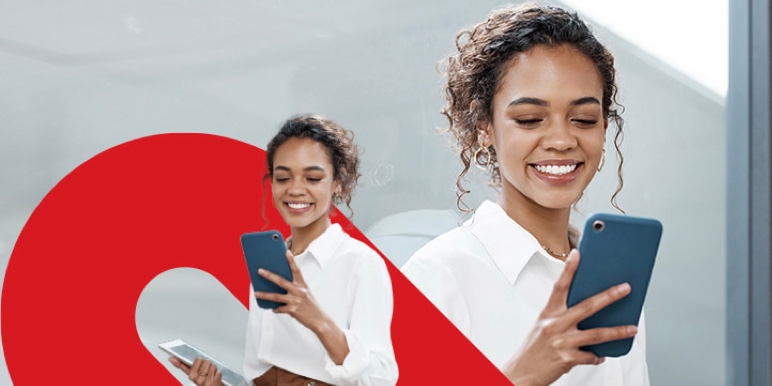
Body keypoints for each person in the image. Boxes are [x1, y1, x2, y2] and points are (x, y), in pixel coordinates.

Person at [401, 4, 648, 386]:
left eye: (583, 119)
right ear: (484, 126)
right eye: (530, 119)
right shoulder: (439, 275)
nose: (561, 140)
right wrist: (523, 374)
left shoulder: (613, 283)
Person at [170, 115, 399, 386]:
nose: (296, 189)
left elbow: (381, 378)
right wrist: (218, 384)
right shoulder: (268, 266)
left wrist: (317, 319)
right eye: (283, 178)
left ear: (337, 182)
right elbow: (257, 376)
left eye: (313, 178)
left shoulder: (360, 263)